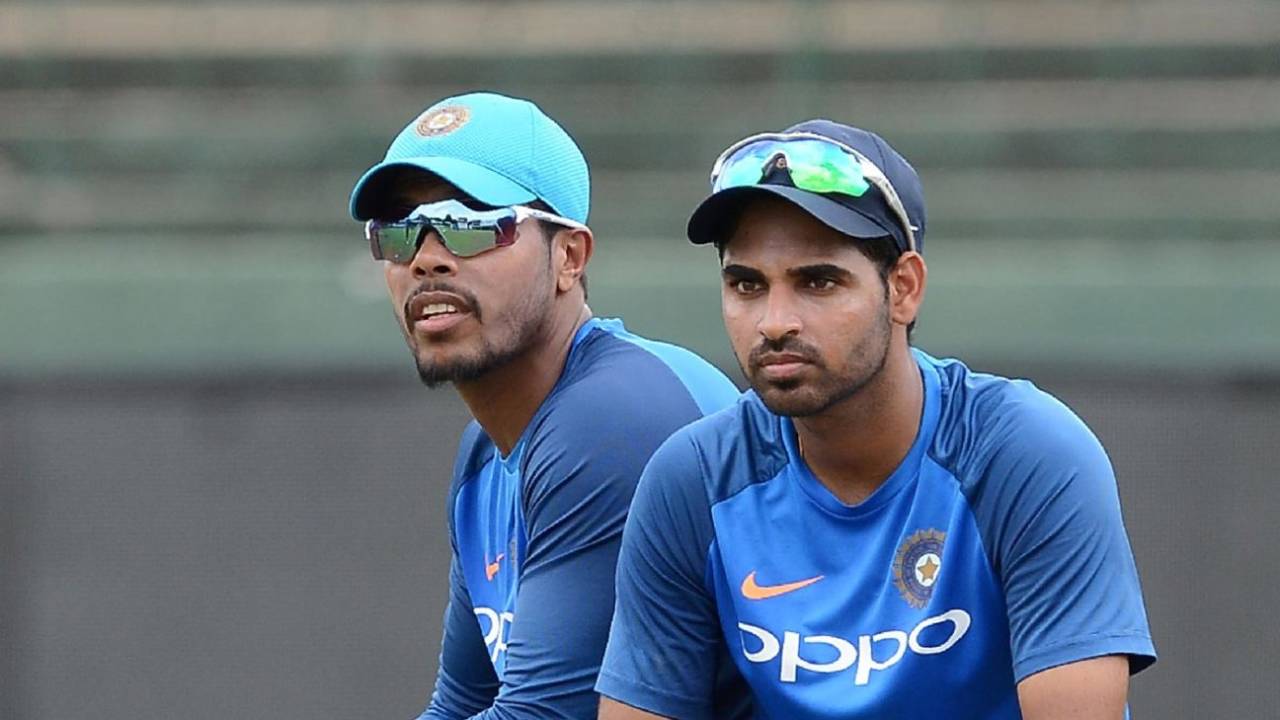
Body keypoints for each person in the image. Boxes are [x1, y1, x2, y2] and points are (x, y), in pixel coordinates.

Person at [596, 120, 1156, 719]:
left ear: (905, 288)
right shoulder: (694, 481)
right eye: (746, 284)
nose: (774, 321)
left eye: (818, 281)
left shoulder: (1028, 454)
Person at [348, 91, 740, 719]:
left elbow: (543, 715)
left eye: (470, 222)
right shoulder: (486, 451)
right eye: (398, 231)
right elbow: (459, 703)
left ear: (569, 257)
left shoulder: (612, 419)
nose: (425, 257)